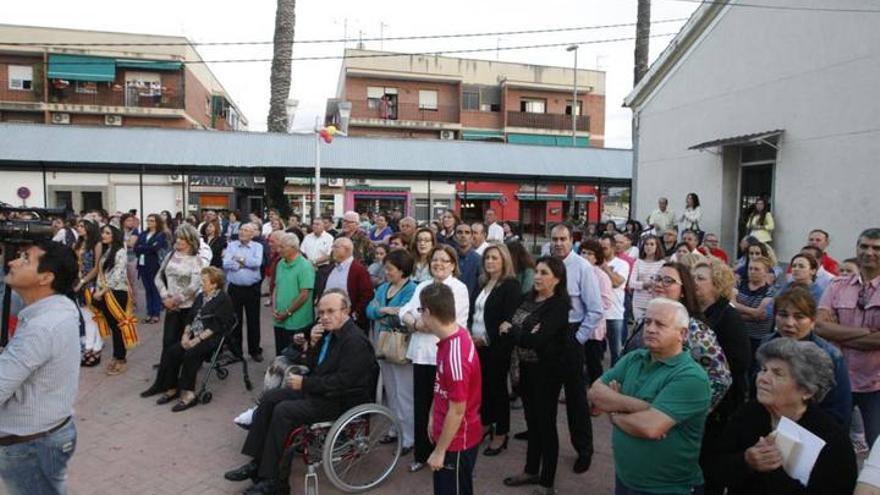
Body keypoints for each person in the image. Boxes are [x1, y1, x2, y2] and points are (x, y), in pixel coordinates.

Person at [224, 290, 377, 495]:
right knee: (270, 399)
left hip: (342, 400)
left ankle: (275, 482)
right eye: (321, 312)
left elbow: (345, 381)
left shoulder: (355, 341)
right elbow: (313, 366)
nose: (324, 316)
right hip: (321, 392)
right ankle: (258, 463)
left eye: (330, 311)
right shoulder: (328, 334)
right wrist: (312, 345)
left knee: (284, 411)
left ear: (345, 311)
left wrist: (305, 384)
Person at [589, 298, 711, 495]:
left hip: (666, 488)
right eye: (647, 322)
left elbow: (649, 428)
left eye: (660, 324)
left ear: (682, 333)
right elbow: (595, 392)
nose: (651, 329)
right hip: (626, 478)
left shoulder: (691, 377)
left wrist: (614, 412)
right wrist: (643, 407)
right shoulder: (633, 358)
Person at [711, 338, 857, 494]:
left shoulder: (830, 438)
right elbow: (714, 467)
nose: (763, 379)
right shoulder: (749, 413)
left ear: (807, 391)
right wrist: (746, 461)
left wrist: (773, 470)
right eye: (763, 369)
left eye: (777, 374)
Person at [0, 241, 81, 495]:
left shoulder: (42, 327)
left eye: (25, 259)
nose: (12, 262)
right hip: (46, 433)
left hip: (31, 445)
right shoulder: (60, 306)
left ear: (45, 277)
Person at [503, 256, 571, 494]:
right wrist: (521, 331)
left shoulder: (559, 306)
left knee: (546, 425)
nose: (538, 277)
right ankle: (531, 470)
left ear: (557, 279)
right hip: (524, 369)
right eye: (537, 272)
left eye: (544, 273)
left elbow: (537, 340)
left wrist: (516, 332)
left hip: (547, 373)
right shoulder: (527, 298)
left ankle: (547, 482)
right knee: (532, 423)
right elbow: (514, 325)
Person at [624, 262, 733, 411]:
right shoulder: (644, 319)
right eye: (657, 278)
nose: (659, 284)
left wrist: (687, 411)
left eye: (668, 280)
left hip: (667, 419)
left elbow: (720, 378)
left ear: (683, 291)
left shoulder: (694, 329)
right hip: (631, 409)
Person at [400, 245, 470, 473]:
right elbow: (404, 311)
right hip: (422, 355)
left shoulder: (458, 288)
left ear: (453, 265)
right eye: (435, 260)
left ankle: (442, 451)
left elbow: (450, 321)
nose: (439, 264)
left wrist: (418, 322)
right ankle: (422, 453)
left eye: (444, 260)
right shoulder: (422, 285)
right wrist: (417, 322)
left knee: (443, 408)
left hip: (445, 356)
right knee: (421, 406)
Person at [691, 259, 752, 494]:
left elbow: (740, 362)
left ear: (717, 284)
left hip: (722, 406)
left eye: (701, 278)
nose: (694, 282)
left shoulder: (728, 317)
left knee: (711, 466)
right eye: (693, 277)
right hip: (700, 400)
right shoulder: (697, 312)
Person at [817, 228, 880, 446]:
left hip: (875, 383)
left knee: (877, 448)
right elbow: (820, 326)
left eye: (876, 248)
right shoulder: (837, 286)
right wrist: (866, 334)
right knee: (831, 443)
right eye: (864, 246)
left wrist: (839, 335)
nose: (869, 252)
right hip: (838, 379)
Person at [141, 266, 235, 411]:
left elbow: (217, 326)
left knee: (191, 354)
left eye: (204, 281)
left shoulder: (223, 299)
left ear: (214, 284)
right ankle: (172, 387)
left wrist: (196, 340)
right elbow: (191, 317)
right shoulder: (201, 296)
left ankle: (189, 394)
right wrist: (185, 335)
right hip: (194, 334)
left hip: (211, 338)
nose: (201, 283)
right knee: (172, 351)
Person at [419, 283, 482, 495]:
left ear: (427, 312)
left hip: (456, 443)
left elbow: (457, 409)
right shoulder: (451, 338)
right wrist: (431, 416)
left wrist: (439, 451)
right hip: (449, 437)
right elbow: (441, 387)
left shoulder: (456, 353)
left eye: (420, 310)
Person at [760, 287, 852, 427]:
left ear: (812, 321)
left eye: (799, 317)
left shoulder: (830, 355)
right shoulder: (766, 345)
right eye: (783, 315)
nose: (789, 323)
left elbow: (839, 410)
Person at [549, 223, 601, 473]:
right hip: (549, 336)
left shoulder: (583, 267)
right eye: (554, 239)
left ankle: (584, 449)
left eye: (563, 239)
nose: (558, 243)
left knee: (575, 399)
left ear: (572, 240)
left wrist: (578, 338)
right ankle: (543, 443)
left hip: (571, 334)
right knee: (544, 392)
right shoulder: (547, 264)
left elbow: (595, 309)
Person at [470, 243, 521, 456]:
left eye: (495, 258)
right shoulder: (483, 282)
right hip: (477, 345)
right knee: (483, 390)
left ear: (504, 261)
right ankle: (486, 423)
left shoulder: (510, 285)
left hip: (496, 348)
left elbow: (508, 321)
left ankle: (501, 432)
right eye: (488, 258)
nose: (490, 261)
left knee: (498, 390)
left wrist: (486, 339)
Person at [366, 249, 417, 455]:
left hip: (402, 344)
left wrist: (384, 312)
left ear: (402, 270)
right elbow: (369, 309)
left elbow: (405, 315)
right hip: (384, 342)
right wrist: (384, 311)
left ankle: (409, 436)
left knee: (404, 392)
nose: (386, 272)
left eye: (390, 269)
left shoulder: (411, 289)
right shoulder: (384, 287)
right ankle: (395, 428)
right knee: (391, 390)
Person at [93, 225, 138, 376]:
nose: (103, 235)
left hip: (117, 293)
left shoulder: (120, 252)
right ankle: (116, 355)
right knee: (113, 326)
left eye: (107, 233)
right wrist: (98, 289)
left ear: (114, 235)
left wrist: (103, 291)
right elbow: (102, 273)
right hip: (104, 292)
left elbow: (118, 275)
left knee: (118, 327)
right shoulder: (107, 251)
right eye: (103, 232)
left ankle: (121, 359)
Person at [223, 223, 265, 362]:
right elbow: (226, 263)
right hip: (234, 288)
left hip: (252, 289)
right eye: (241, 229)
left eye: (246, 230)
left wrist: (238, 260)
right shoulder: (232, 245)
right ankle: (237, 352)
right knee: (235, 320)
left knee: (253, 320)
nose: (242, 232)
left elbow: (257, 263)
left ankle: (254, 350)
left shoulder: (257, 246)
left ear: (252, 234)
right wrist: (244, 263)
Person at [313, 237, 374, 328]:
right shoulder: (331, 268)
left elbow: (367, 295)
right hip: (327, 319)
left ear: (347, 249)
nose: (332, 250)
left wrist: (354, 314)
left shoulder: (359, 270)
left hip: (347, 322)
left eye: (335, 247)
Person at [271, 234, 315, 356]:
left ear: (294, 248)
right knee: (280, 352)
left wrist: (287, 312)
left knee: (294, 355)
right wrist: (274, 307)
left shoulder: (305, 266)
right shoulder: (280, 263)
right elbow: (276, 287)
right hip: (279, 318)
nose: (278, 250)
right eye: (279, 246)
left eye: (282, 247)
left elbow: (304, 294)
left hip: (297, 320)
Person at [579, 240, 612, 384]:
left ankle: (597, 393)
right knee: (576, 363)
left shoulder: (601, 276)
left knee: (594, 364)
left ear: (597, 257)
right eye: (583, 252)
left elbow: (606, 302)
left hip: (593, 328)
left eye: (590, 254)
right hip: (576, 325)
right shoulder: (576, 271)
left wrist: (587, 307)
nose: (585, 256)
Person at [733, 255, 776, 355]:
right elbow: (730, 305)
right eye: (750, 268)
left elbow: (760, 316)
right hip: (738, 334)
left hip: (758, 339)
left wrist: (736, 313)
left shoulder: (770, 292)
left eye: (756, 269)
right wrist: (753, 312)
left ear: (766, 272)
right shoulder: (739, 284)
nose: (752, 271)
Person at [600, 235, 631, 366]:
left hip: (614, 313)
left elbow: (617, 282)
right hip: (598, 314)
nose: (601, 251)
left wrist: (605, 268)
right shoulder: (594, 263)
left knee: (616, 351)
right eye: (600, 248)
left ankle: (615, 379)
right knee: (594, 350)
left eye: (604, 248)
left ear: (613, 248)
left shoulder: (622, 264)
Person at [135, 213, 168, 324]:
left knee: (155, 289)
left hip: (154, 265)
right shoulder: (143, 234)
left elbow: (155, 248)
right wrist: (145, 248)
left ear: (157, 222)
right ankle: (149, 312)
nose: (149, 222)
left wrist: (143, 247)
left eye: (152, 220)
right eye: (148, 220)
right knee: (147, 289)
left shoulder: (160, 234)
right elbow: (136, 247)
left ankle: (156, 313)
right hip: (143, 265)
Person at [629, 234, 666, 321]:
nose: (648, 247)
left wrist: (653, 284)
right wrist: (645, 285)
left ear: (657, 246)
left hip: (654, 301)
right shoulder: (638, 262)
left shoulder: (662, 263)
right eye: (646, 244)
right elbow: (631, 283)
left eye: (652, 244)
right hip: (638, 302)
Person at [454, 223, 481, 298]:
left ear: (472, 237)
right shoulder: (449, 258)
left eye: (467, 232)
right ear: (455, 237)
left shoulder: (479, 260)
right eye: (459, 232)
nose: (463, 235)